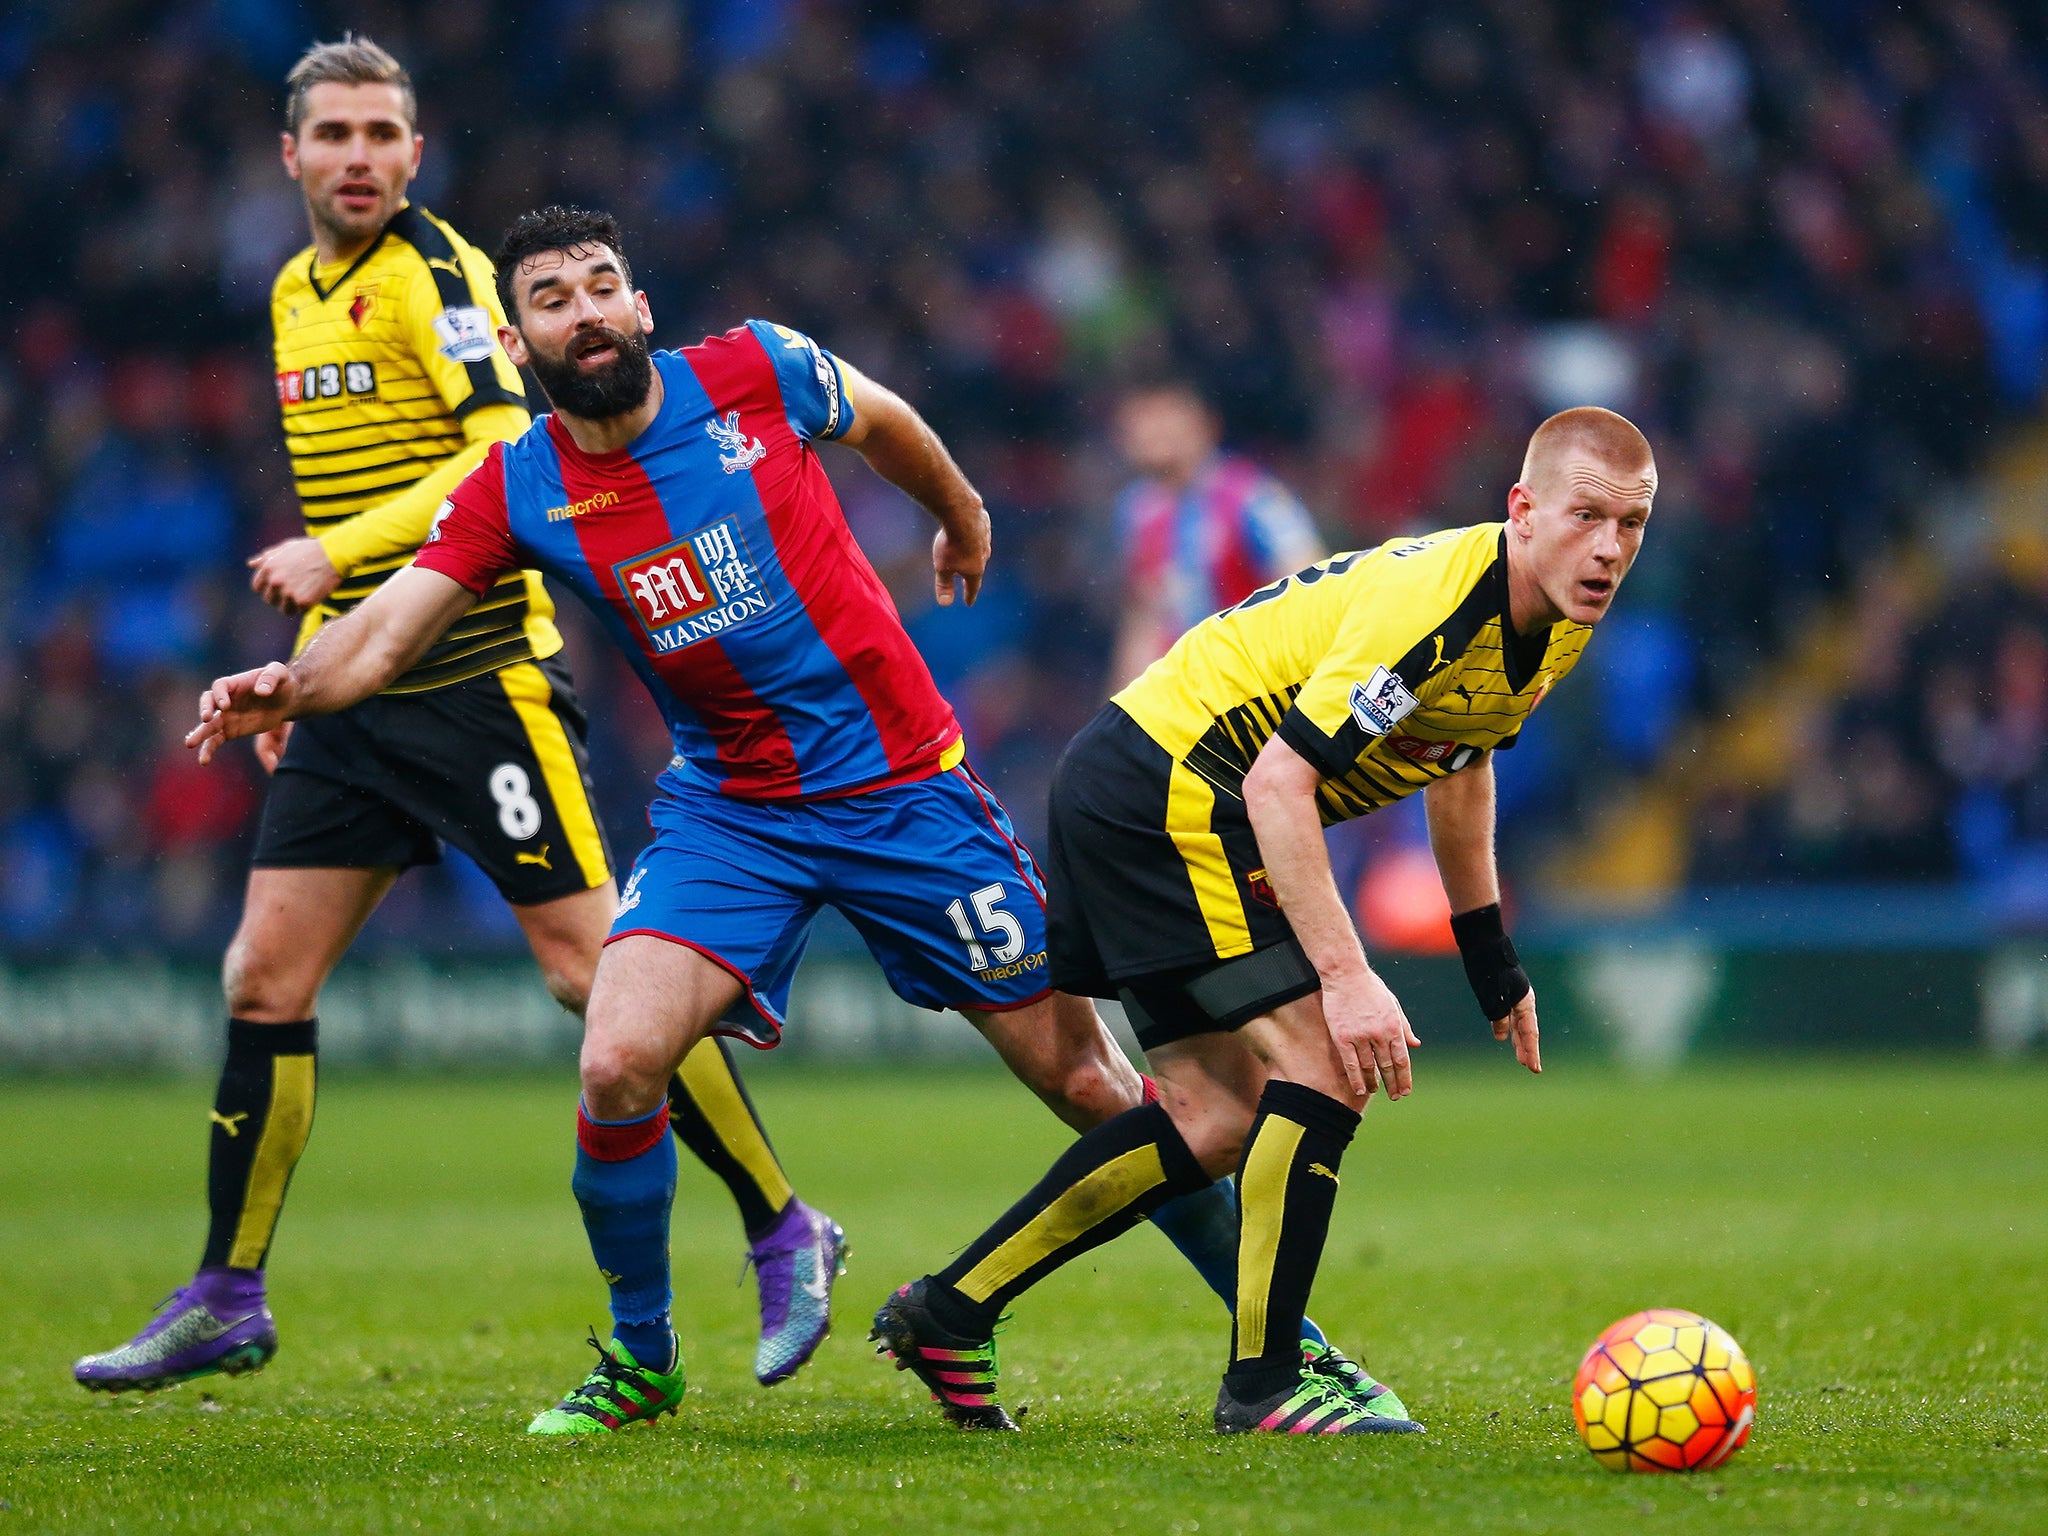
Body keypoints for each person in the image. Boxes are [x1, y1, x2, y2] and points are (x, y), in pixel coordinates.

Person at [182, 206, 1390, 1437]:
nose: (586, 312)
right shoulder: (519, 482)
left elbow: (885, 422)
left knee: (1088, 1080)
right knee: (614, 1057)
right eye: (553, 299)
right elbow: (385, 632)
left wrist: (961, 515)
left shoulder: (755, 370)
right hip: (731, 815)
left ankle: (1286, 1348)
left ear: (640, 307)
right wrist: (294, 682)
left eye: (604, 286)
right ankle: (641, 1359)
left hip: (904, 793)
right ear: (514, 338)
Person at [74, 38, 838, 1401]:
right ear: (290, 157)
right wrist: (307, 678)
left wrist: (330, 557)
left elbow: (503, 456)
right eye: (336, 136)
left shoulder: (444, 281)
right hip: (356, 702)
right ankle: (228, 1291)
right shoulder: (293, 297)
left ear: (417, 155)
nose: (360, 157)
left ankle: (786, 1223)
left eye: (383, 134)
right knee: (263, 975)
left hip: (481, 680)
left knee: (597, 978)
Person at [874, 407, 1657, 1435]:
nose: (1606, 548)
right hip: (1170, 789)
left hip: (1151, 785)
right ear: (1521, 510)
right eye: (1584, 516)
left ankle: (947, 1311)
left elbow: (1461, 760)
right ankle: (1265, 1384)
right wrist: (1344, 977)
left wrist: (1488, 957)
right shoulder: (1439, 609)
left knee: (1214, 1120)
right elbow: (1282, 785)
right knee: (1326, 1064)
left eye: (1631, 524)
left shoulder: (1549, 620)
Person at [1108, 382, 1326, 690]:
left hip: (1254, 689)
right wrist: (1120, 713)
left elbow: (1314, 587)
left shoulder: (1253, 498)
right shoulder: (1135, 511)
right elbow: (1144, 618)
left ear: (1205, 423)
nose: (1153, 430)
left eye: (1165, 416)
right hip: (1183, 699)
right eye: (1141, 420)